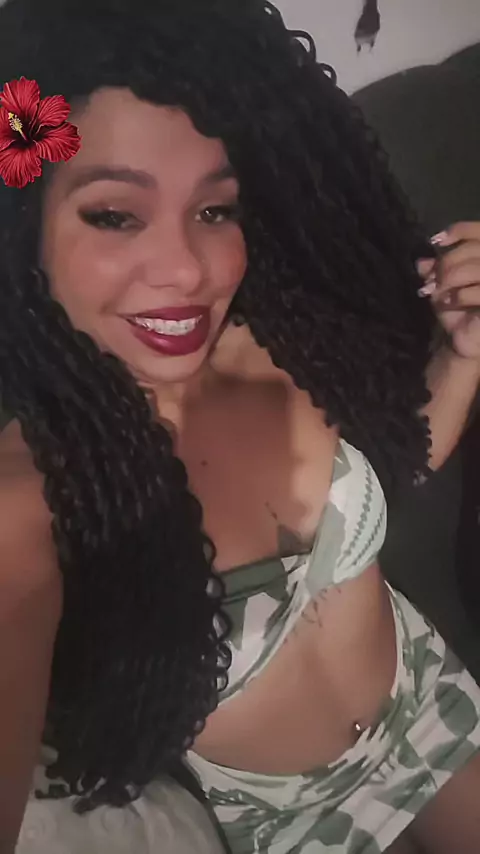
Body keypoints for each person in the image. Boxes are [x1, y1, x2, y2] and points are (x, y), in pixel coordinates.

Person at [1, 1, 480, 852]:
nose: (188, 271)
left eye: (215, 211)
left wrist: (465, 354)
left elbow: (398, 465)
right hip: (285, 823)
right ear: (24, 227)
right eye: (115, 215)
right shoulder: (36, 499)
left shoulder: (278, 338)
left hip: (425, 702)